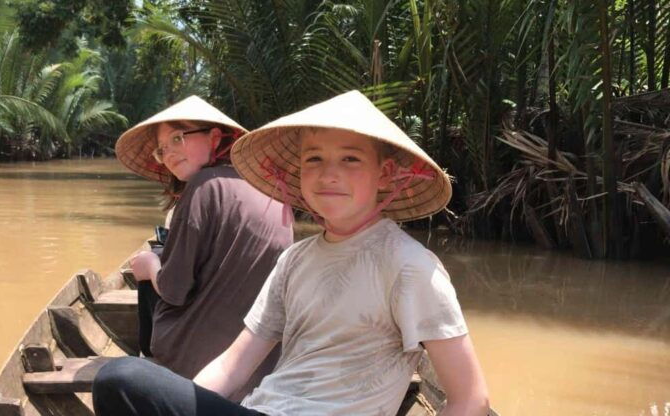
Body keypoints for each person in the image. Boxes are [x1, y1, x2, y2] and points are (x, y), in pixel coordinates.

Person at [94, 90, 489, 415]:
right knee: (132, 387)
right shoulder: (295, 260)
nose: (328, 173)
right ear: (299, 172)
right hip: (264, 408)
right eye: (314, 159)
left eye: (350, 159)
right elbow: (233, 367)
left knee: (121, 379)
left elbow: (470, 399)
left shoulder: (409, 266)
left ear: (384, 175)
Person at [114, 96, 293, 398]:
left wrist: (150, 268)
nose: (169, 152)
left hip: (201, 358)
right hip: (262, 359)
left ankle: (150, 359)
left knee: (149, 263)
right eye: (162, 149)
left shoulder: (204, 186)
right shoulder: (269, 185)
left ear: (214, 137)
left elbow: (173, 290)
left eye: (177, 138)